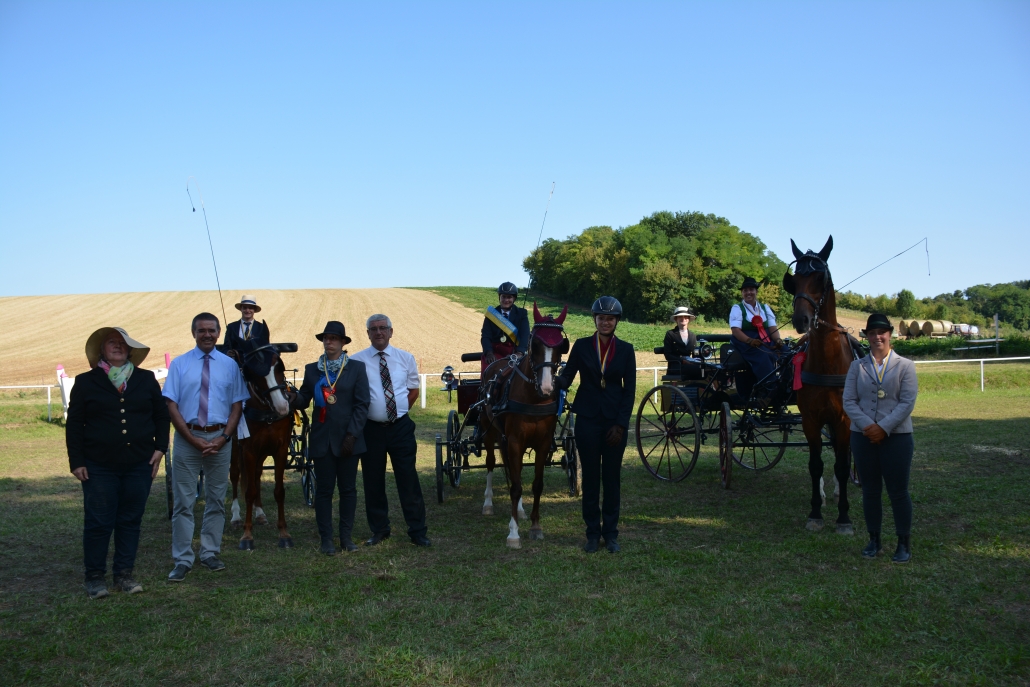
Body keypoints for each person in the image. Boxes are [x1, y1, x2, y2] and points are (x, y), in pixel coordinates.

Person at [66, 327, 170, 599]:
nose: (118, 346)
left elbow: (161, 415)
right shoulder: (86, 382)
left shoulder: (145, 379)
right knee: (99, 522)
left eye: (123, 343)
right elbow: (74, 424)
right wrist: (77, 461)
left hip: (139, 463)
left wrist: (160, 448)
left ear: (130, 350)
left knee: (130, 520)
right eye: (112, 342)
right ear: (101, 350)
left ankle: (124, 574)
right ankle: (94, 577)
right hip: (98, 465)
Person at [163, 312, 249, 581]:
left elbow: (237, 405)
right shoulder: (179, 365)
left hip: (219, 440)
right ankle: (182, 558)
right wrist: (191, 439)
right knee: (183, 502)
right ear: (194, 333)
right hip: (188, 439)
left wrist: (224, 438)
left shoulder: (229, 366)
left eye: (212, 330)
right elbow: (171, 405)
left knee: (216, 500)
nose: (207, 335)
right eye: (202, 330)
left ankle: (210, 552)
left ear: (219, 332)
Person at [553, 296, 636, 553]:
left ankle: (611, 534)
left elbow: (630, 392)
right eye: (601, 318)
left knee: (611, 479)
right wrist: (551, 378)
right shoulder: (581, 346)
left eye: (610, 319)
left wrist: (620, 425)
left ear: (616, 321)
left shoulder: (626, 350)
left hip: (614, 424)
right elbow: (567, 377)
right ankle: (592, 534)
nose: (605, 322)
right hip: (587, 420)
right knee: (590, 478)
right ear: (595, 319)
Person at [843, 313, 918, 564]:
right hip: (863, 437)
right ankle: (874, 540)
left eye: (881, 332)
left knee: (898, 492)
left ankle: (903, 543)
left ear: (890, 334)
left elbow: (907, 402)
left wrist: (883, 428)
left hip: (897, 437)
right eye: (872, 333)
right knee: (870, 491)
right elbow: (849, 401)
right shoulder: (856, 367)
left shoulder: (906, 366)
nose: (877, 337)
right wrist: (868, 427)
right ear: (867, 336)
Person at [351, 314, 430, 547]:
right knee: (373, 481)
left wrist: (396, 414)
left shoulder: (405, 358)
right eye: (373, 329)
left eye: (383, 328)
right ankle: (379, 530)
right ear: (367, 334)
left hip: (400, 429)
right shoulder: (356, 361)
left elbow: (413, 390)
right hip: (371, 430)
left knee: (408, 479)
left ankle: (417, 531)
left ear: (391, 332)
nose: (378, 332)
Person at [292, 321, 370, 555]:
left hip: (348, 439)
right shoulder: (312, 369)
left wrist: (352, 435)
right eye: (326, 338)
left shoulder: (356, 368)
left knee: (348, 490)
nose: (329, 342)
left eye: (334, 338)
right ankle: (326, 538)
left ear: (343, 342)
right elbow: (304, 399)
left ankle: (346, 537)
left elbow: (362, 405)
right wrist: (291, 398)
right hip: (322, 440)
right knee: (324, 490)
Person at [729, 276, 785, 392]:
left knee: (787, 352)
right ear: (742, 293)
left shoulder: (765, 308)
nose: (748, 293)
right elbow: (736, 331)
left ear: (756, 291)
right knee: (763, 356)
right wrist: (750, 340)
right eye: (745, 290)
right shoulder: (737, 308)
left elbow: (772, 328)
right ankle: (769, 389)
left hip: (766, 341)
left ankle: (788, 385)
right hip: (746, 343)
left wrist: (778, 340)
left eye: (751, 289)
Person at [480, 282, 530, 373]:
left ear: (514, 298)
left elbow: (525, 335)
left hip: (514, 352)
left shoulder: (522, 314)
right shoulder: (491, 315)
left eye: (509, 297)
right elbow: (486, 336)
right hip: (495, 353)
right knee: (488, 370)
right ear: (499, 297)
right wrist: (489, 353)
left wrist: (520, 352)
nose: (506, 300)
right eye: (503, 297)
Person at [663, 305, 698, 377]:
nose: (683, 318)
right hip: (676, 366)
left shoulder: (692, 336)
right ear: (676, 319)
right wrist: (682, 361)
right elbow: (668, 355)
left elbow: (695, 354)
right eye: (680, 317)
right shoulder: (670, 334)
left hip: (690, 365)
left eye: (686, 317)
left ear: (688, 319)